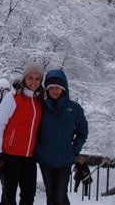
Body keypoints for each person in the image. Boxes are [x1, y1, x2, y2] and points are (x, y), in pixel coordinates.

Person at [0, 59, 45, 205]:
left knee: (28, 196)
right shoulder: (13, 98)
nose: (33, 82)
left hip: (29, 157)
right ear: (24, 78)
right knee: (8, 196)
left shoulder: (39, 101)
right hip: (10, 156)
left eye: (37, 79)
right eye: (30, 78)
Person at [35, 69, 88, 205]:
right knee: (51, 195)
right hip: (46, 161)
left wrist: (74, 149)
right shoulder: (41, 107)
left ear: (63, 87)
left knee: (60, 195)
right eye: (51, 88)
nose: (54, 91)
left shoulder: (74, 109)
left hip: (65, 161)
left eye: (57, 87)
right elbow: (33, 130)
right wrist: (38, 150)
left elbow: (82, 131)